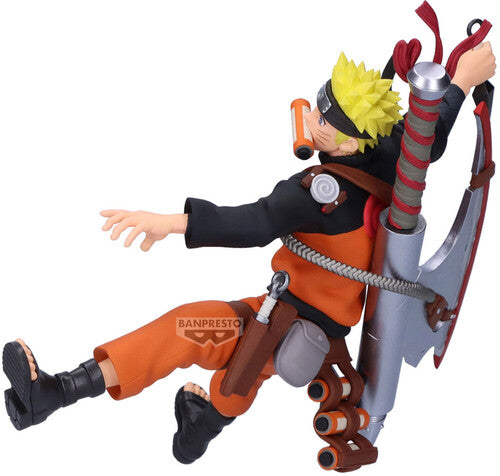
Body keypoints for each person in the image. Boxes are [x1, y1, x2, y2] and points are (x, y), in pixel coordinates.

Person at [3, 45, 495, 465]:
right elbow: (427, 138)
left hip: (283, 322)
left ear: (348, 139)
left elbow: (253, 223)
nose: (311, 122)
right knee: (235, 367)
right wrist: (460, 80)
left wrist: (170, 222)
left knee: (186, 330)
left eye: (323, 120)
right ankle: (196, 430)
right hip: (287, 315)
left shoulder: (317, 194)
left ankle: (58, 393)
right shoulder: (388, 159)